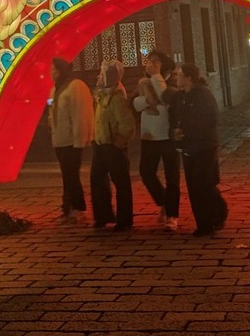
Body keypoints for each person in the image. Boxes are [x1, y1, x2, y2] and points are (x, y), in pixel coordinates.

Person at [171, 61, 227, 237]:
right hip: (187, 146)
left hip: (204, 146)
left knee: (203, 183)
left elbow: (209, 119)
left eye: (179, 75)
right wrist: (176, 133)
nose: (176, 78)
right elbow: (175, 116)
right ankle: (203, 223)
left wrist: (187, 131)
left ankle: (216, 215)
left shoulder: (202, 94)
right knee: (194, 187)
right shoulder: (180, 96)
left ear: (188, 78)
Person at [134, 50, 181, 231]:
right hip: (149, 136)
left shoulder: (171, 81)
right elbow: (134, 103)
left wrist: (156, 77)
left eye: (156, 61)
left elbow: (166, 97)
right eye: (149, 61)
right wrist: (147, 101)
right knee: (146, 172)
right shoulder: (143, 82)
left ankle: (172, 215)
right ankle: (163, 202)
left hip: (168, 136)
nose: (152, 64)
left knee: (172, 177)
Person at [90, 59, 135, 231]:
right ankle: (103, 215)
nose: (98, 77)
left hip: (113, 146)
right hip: (100, 145)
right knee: (97, 180)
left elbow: (126, 124)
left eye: (101, 74)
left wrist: (118, 142)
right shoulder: (102, 96)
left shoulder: (116, 98)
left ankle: (125, 220)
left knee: (121, 183)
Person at [49, 57, 94, 222]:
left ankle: (79, 207)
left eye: (54, 70)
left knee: (71, 174)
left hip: (71, 140)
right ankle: (68, 207)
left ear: (61, 71)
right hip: (60, 139)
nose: (52, 73)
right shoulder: (56, 89)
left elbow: (79, 114)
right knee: (66, 174)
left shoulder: (75, 86)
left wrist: (80, 139)